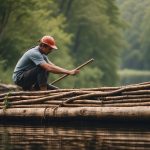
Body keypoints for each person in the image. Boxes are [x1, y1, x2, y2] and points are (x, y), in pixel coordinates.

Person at [12, 35, 79, 91]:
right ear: (43, 46)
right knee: (43, 68)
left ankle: (37, 88)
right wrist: (68, 72)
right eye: (50, 49)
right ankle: (43, 92)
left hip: (28, 78)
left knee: (56, 90)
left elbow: (52, 66)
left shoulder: (42, 55)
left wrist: (68, 72)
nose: (51, 51)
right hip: (20, 79)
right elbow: (48, 68)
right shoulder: (35, 53)